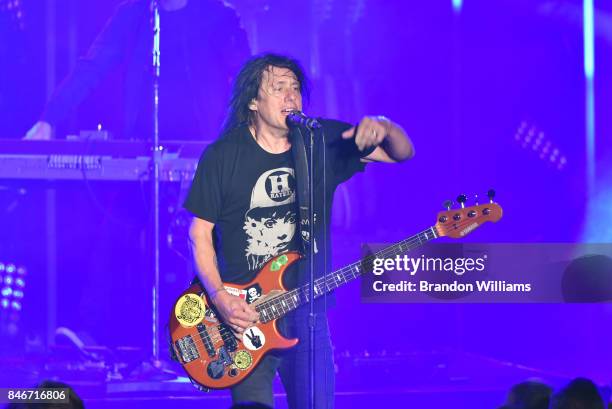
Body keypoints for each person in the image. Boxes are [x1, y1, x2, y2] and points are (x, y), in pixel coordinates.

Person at [184, 53, 414, 408]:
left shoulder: (320, 141)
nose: (291, 97)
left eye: (296, 88)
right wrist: (219, 297)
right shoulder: (223, 155)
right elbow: (199, 234)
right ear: (253, 102)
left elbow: (402, 154)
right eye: (279, 88)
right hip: (245, 321)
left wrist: (384, 126)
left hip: (309, 316)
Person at [25, 0, 250, 141]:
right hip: (142, 147)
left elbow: (246, 78)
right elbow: (92, 68)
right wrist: (49, 119)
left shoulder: (218, 17)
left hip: (204, 146)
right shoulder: (133, 15)